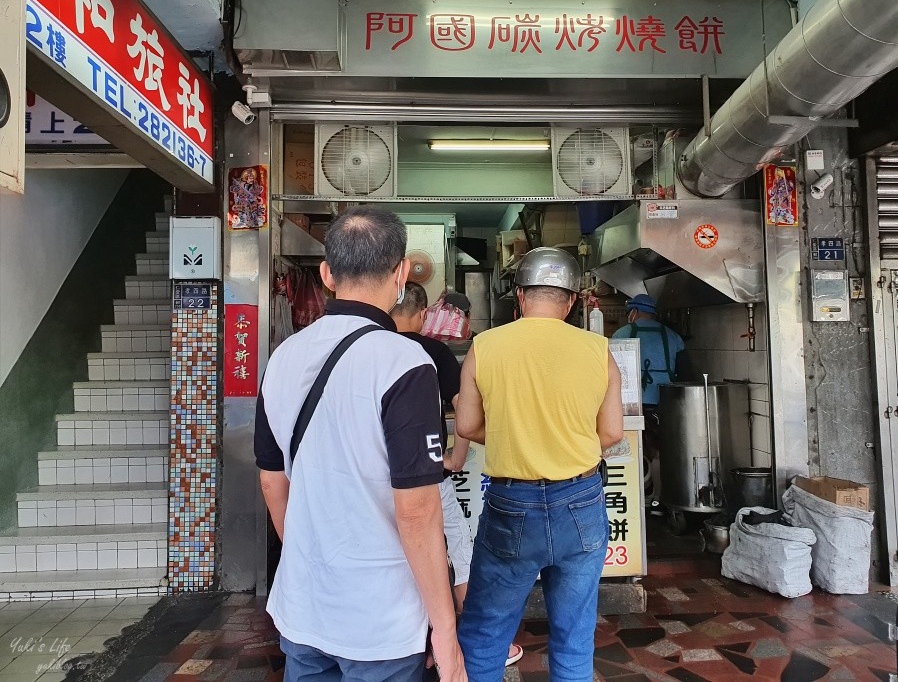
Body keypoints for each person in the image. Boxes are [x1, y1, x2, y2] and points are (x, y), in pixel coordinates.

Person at [255, 207, 466, 682]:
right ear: (401, 273)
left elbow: (273, 483)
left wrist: (316, 565)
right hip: (382, 620)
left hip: (305, 608)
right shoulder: (404, 362)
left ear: (327, 274)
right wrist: (445, 631)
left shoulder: (283, 358)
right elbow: (417, 511)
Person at [455, 247, 625, 682]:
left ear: (520, 296)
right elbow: (610, 435)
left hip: (511, 505)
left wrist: (518, 435)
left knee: (485, 634)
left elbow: (469, 425)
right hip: (581, 503)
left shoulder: (485, 345)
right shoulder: (598, 349)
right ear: (571, 301)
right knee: (573, 634)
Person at [391, 282, 523, 668]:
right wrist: (456, 458)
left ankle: (416, 644)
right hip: (429, 474)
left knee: (399, 555)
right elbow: (464, 409)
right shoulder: (434, 352)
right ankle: (479, 643)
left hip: (382, 478)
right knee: (459, 551)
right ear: (421, 314)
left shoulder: (369, 347)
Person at [612, 293, 685, 409]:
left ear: (635, 312)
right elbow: (683, 371)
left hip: (632, 402)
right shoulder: (673, 336)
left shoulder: (620, 334)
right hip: (665, 399)